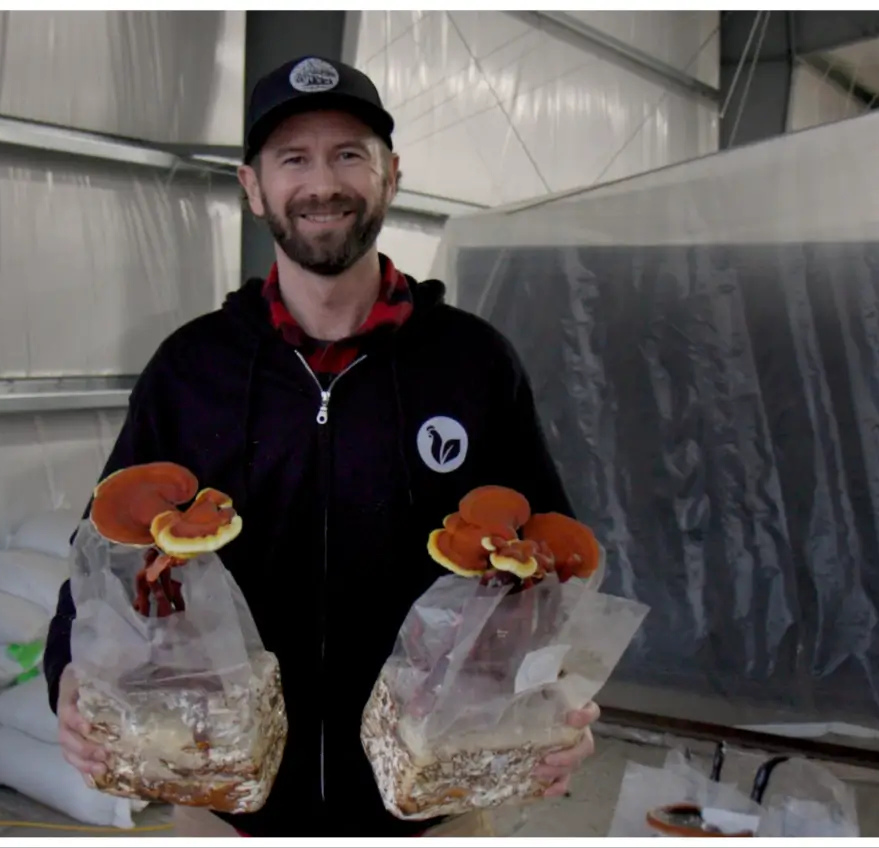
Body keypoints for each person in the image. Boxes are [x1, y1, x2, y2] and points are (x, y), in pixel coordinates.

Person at [42, 55, 599, 838]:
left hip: (433, 801)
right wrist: (66, 671)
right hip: (227, 803)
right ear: (252, 186)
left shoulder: (473, 363)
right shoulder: (192, 367)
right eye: (293, 159)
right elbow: (103, 552)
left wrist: (559, 697)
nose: (322, 183)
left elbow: (551, 571)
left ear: (391, 175)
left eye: (349, 155)